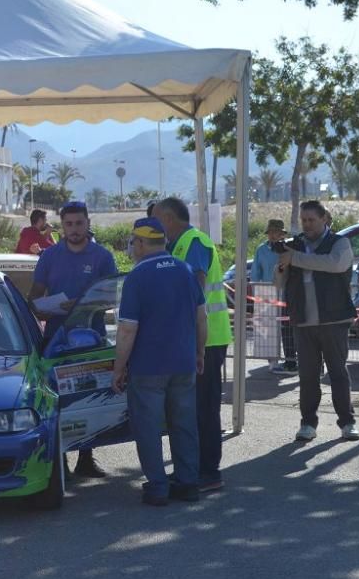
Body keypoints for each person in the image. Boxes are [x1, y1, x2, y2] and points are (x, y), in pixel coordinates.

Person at [112, 218, 207, 506]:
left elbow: (128, 329)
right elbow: (201, 317)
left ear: (140, 243)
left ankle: (157, 486)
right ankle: (188, 483)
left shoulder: (137, 277)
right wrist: (199, 352)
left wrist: (118, 368)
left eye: (133, 242)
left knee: (148, 427)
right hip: (183, 362)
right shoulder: (185, 270)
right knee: (184, 423)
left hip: (148, 367)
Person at [28, 201, 117, 478]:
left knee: (89, 397)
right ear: (62, 225)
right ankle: (61, 461)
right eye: (69, 224)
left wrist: (84, 305)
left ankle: (87, 458)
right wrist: (46, 307)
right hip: (57, 340)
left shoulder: (102, 256)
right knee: (60, 400)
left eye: (79, 223)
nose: (75, 229)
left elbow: (112, 297)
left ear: (88, 223)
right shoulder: (49, 257)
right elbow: (35, 298)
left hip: (92, 340)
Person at [153, 197, 232, 493]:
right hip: (192, 337)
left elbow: (196, 286)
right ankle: (191, 468)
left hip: (208, 338)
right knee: (187, 407)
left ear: (169, 219)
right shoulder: (176, 245)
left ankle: (209, 471)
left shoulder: (195, 241)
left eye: (156, 219)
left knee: (204, 407)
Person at [274, 200, 359, 442]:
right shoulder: (294, 246)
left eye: (312, 220)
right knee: (307, 376)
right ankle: (308, 424)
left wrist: (295, 258)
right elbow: (279, 284)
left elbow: (335, 264)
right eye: (304, 220)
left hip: (334, 320)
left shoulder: (340, 243)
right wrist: (282, 265)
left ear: (324, 219)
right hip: (303, 322)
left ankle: (348, 422)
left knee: (338, 374)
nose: (307, 224)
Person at [250, 219, 296, 375]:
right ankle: (273, 361)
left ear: (282, 234)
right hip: (266, 292)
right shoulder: (261, 250)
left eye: (277, 232)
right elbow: (256, 271)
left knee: (286, 327)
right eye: (271, 232)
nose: (273, 235)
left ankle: (290, 359)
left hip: (285, 291)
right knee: (268, 327)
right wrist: (256, 289)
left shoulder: (288, 249)